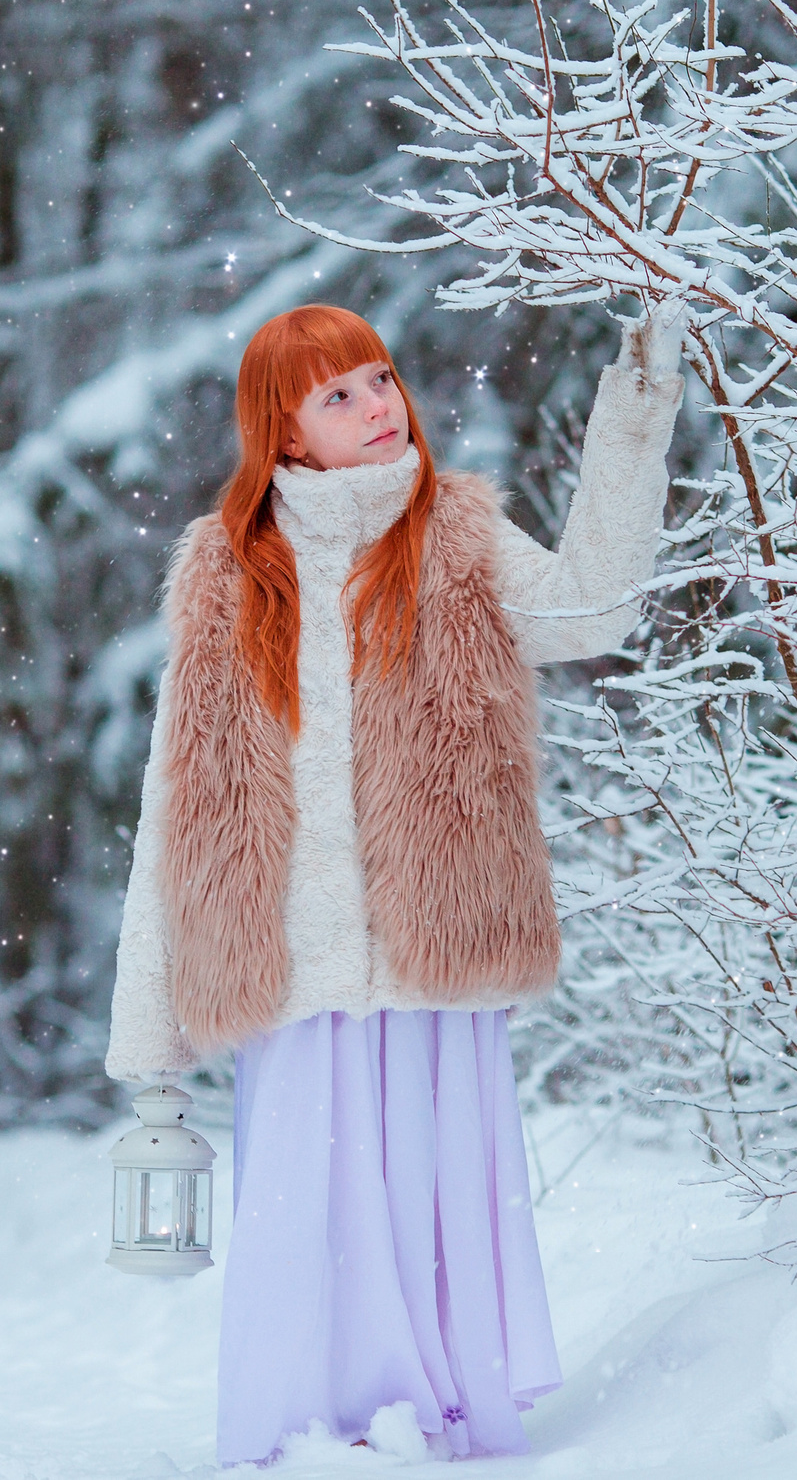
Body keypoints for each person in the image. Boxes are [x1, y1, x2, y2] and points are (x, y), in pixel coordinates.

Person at [104, 299, 689, 1466]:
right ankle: (311, 1438)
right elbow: (174, 812)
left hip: (439, 957)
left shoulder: (456, 534)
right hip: (289, 971)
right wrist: (151, 1057)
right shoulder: (226, 577)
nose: (378, 406)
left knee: (429, 1213)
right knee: (308, 1227)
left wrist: (633, 416)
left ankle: (438, 1430)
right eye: (339, 395)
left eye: (379, 379)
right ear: (282, 436)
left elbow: (591, 610)